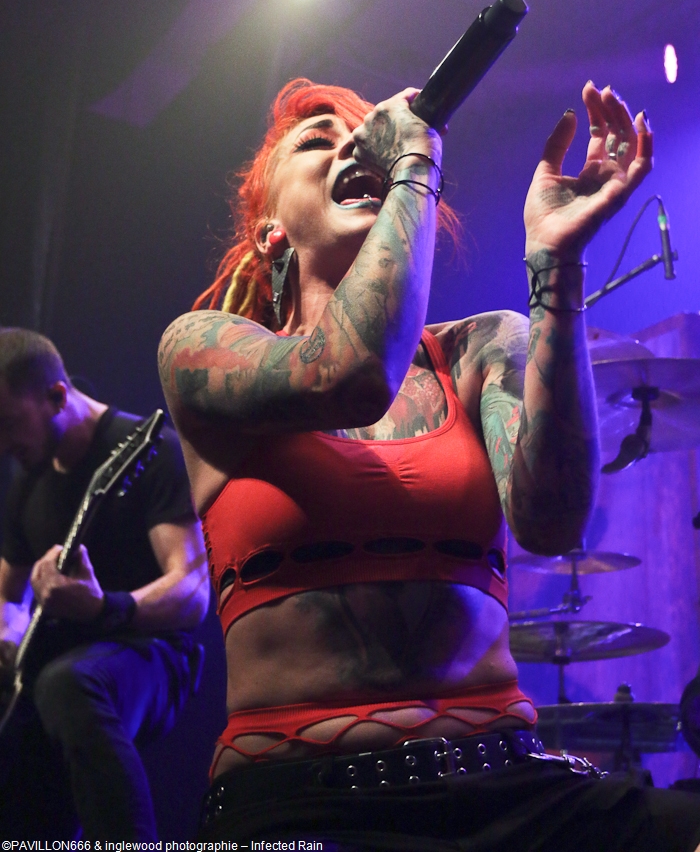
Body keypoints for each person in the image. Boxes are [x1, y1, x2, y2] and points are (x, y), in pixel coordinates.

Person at [158, 78, 700, 850]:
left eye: (365, 138)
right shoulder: (202, 348)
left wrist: (557, 267)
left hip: (509, 781)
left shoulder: (480, 349)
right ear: (271, 231)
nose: (355, 146)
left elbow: (551, 521)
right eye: (318, 142)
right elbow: (346, 375)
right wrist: (413, 164)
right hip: (301, 801)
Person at [0, 328, 210, 840]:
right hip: (58, 662)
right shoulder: (27, 476)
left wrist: (105, 607)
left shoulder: (150, 452)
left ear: (56, 396)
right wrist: (9, 633)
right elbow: (6, 592)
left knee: (69, 683)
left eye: (7, 424)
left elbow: (193, 591)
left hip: (155, 655)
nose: (2, 444)